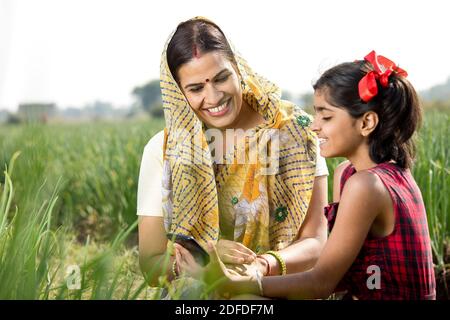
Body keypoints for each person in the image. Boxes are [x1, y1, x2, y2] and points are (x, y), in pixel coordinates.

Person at [205, 50, 436, 300]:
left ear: (367, 123)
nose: (314, 125)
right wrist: (261, 269)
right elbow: (341, 274)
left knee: (247, 301)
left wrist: (245, 284)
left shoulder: (367, 185)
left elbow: (322, 282)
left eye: (326, 116)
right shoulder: (348, 174)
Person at [137, 17, 329, 295]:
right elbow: (151, 266)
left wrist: (262, 266)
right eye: (196, 88)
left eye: (221, 78)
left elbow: (316, 240)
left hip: (278, 285)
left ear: (238, 68)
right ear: (178, 93)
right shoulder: (164, 150)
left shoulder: (295, 131)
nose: (213, 97)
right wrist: (206, 258)